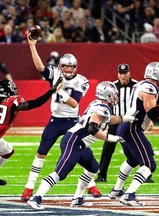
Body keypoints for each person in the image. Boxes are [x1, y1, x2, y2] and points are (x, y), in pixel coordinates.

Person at [27, 81, 136, 209]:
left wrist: (124, 118)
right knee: (60, 173)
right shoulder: (102, 108)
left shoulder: (98, 105)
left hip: (79, 144)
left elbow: (108, 119)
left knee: (93, 167)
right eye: (114, 94)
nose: (116, 97)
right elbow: (92, 129)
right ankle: (36, 198)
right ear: (108, 95)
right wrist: (112, 138)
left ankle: (77, 198)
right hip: (73, 141)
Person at [21, 32, 101, 201]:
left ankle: (91, 185)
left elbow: (75, 103)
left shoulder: (81, 80)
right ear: (60, 67)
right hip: (55, 121)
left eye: (71, 67)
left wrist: (60, 91)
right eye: (66, 67)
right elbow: (40, 67)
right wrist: (32, 45)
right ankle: (29, 187)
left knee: (78, 151)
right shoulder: (55, 74)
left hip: (73, 122)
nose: (69, 70)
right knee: (41, 153)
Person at [109, 62, 159, 206]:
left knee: (132, 159)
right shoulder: (149, 88)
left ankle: (117, 190)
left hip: (125, 126)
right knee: (149, 164)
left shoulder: (141, 84)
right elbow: (153, 113)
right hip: (132, 127)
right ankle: (129, 195)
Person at [95, 63, 137, 183]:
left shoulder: (136, 86)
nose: (123, 76)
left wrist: (147, 121)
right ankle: (102, 174)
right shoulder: (113, 87)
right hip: (115, 121)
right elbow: (106, 105)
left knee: (135, 147)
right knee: (108, 148)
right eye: (121, 73)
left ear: (129, 73)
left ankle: (146, 173)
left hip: (130, 122)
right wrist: (106, 123)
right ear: (118, 74)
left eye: (125, 73)